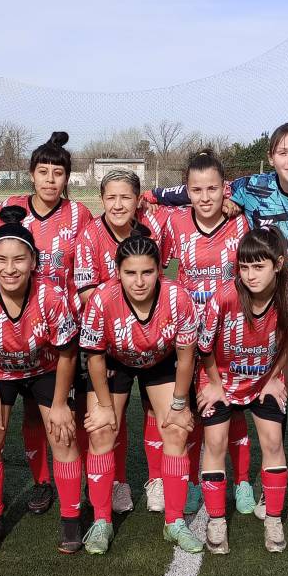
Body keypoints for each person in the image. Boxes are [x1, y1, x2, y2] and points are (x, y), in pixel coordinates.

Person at [148, 122, 288, 528]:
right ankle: (265, 483)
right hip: (264, 303)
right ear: (271, 158)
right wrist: (153, 194)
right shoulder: (253, 187)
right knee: (271, 389)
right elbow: (200, 188)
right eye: (283, 152)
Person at [0, 206, 83, 553]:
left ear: (34, 262)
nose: (10, 269)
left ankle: (71, 519)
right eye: (1, 260)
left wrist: (60, 404)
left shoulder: (51, 295)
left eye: (19, 260)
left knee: (63, 434)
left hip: (46, 368)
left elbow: (68, 352)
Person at [79, 231, 202, 555]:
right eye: (130, 272)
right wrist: (104, 405)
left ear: (160, 269)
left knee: (176, 429)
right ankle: (102, 520)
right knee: (101, 429)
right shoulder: (102, 299)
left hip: (160, 362)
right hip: (114, 362)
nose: (139, 281)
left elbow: (186, 357)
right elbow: (94, 357)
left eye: (147, 272)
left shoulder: (178, 298)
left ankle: (174, 522)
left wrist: (179, 404)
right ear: (117, 271)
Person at [197, 227, 288, 553]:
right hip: (220, 379)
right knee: (215, 442)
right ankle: (217, 521)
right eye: (244, 267)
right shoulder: (225, 297)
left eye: (259, 267)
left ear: (278, 264)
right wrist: (215, 385)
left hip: (263, 380)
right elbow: (204, 347)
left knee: (273, 440)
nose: (250, 275)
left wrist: (275, 376)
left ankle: (273, 520)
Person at [0, 131, 92, 516]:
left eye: (58, 173)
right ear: (31, 174)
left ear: (67, 177)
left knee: (71, 407)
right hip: (19, 326)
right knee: (31, 409)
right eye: (43, 172)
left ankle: (82, 480)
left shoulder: (79, 214)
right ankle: (41, 481)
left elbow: (87, 265)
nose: (50, 180)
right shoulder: (10, 208)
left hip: (66, 328)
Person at [74, 169, 173, 516]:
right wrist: (125, 315)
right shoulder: (89, 235)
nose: (118, 205)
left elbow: (196, 202)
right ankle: (117, 482)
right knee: (108, 418)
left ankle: (157, 479)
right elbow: (86, 293)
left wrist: (232, 202)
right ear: (101, 199)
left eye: (126, 197)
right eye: (111, 197)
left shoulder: (155, 225)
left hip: (154, 336)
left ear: (138, 199)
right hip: (110, 342)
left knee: (157, 410)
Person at [163, 149, 255, 514]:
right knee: (196, 408)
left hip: (231, 333)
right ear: (186, 190)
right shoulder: (175, 222)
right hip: (188, 335)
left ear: (224, 189)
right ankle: (193, 482)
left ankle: (243, 481)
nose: (205, 197)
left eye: (212, 189)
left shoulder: (241, 223)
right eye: (197, 190)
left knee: (233, 409)